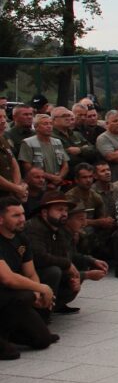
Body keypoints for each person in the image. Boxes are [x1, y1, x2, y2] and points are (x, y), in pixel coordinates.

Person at [0, 197, 58, 357]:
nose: (22, 219)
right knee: (25, 296)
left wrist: (38, 295)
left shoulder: (21, 238)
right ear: (1, 219)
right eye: (16, 215)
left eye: (23, 214)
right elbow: (8, 278)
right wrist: (42, 288)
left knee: (42, 340)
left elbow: (30, 273)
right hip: (5, 293)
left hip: (10, 298)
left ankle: (9, 335)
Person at [18, 114, 69, 190]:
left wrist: (58, 178)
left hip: (57, 185)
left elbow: (65, 165)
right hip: (37, 185)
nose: (49, 126)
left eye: (50, 124)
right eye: (45, 124)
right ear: (36, 127)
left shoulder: (57, 142)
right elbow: (27, 167)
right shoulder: (28, 143)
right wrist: (51, 177)